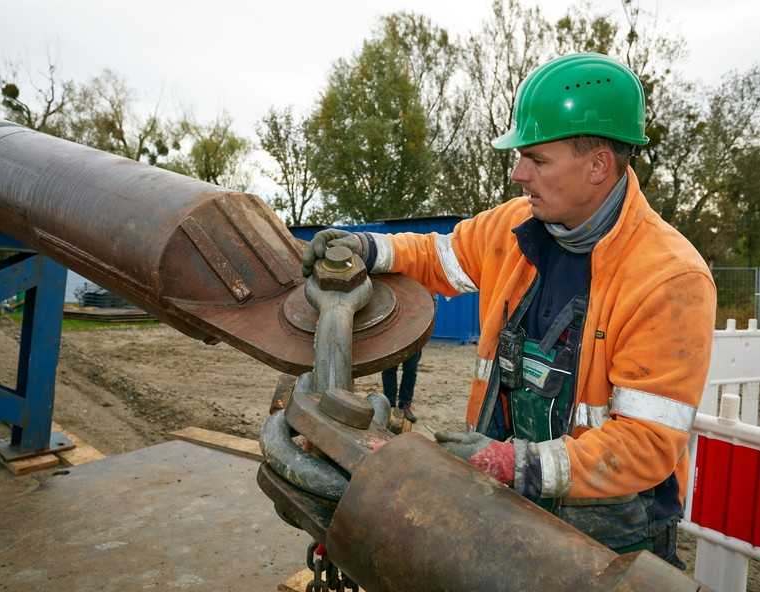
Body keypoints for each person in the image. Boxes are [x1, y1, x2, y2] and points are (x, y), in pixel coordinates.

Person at [302, 53, 715, 567]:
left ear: (597, 166)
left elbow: (646, 444)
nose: (519, 174)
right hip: (504, 504)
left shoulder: (670, 279)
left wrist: (513, 463)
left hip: (613, 539)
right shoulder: (513, 228)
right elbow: (435, 256)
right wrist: (369, 249)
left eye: (537, 159)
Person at [381, 349, 422, 423]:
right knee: (388, 369)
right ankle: (389, 404)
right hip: (390, 343)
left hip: (412, 343)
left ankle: (405, 405)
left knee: (410, 371)